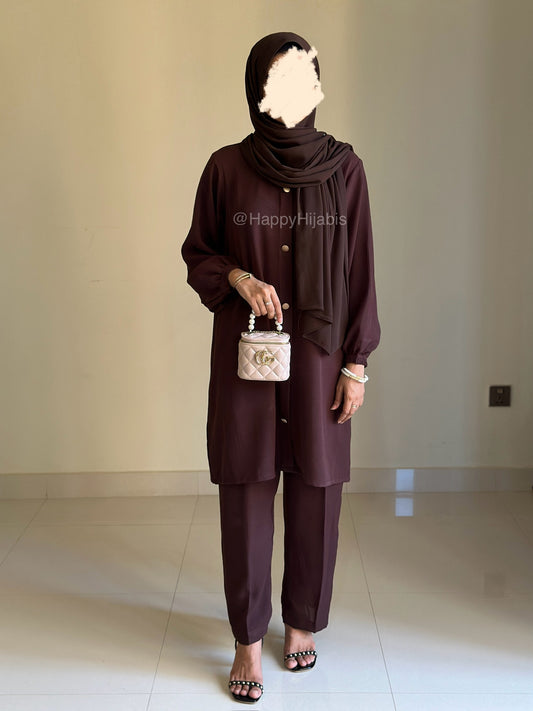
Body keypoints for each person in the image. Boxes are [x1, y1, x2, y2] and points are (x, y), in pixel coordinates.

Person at [182, 31, 380, 704]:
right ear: (255, 89)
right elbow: (199, 253)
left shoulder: (344, 170)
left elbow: (360, 272)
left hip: (320, 358)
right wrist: (236, 276)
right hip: (248, 357)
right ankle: (246, 639)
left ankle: (301, 622)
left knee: (317, 489)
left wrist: (356, 363)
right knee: (245, 489)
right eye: (276, 80)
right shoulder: (226, 169)